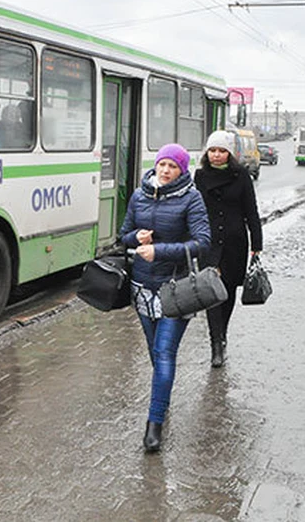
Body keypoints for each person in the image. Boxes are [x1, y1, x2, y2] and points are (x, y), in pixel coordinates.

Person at [120, 143, 210, 453]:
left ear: (182, 170)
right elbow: (124, 235)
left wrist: (159, 250)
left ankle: (154, 424)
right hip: (142, 287)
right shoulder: (140, 194)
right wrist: (136, 238)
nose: (166, 170)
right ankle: (164, 399)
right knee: (153, 351)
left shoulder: (191, 198)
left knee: (163, 353)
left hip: (175, 289)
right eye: (162, 164)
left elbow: (202, 242)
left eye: (173, 166)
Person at [194, 130, 263, 367]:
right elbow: (193, 210)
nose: (216, 155)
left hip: (235, 242)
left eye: (221, 151)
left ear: (229, 153)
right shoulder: (200, 176)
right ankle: (216, 344)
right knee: (211, 293)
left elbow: (251, 211)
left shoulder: (241, 175)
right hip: (209, 243)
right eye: (212, 150)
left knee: (229, 291)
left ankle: (222, 334)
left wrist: (257, 245)